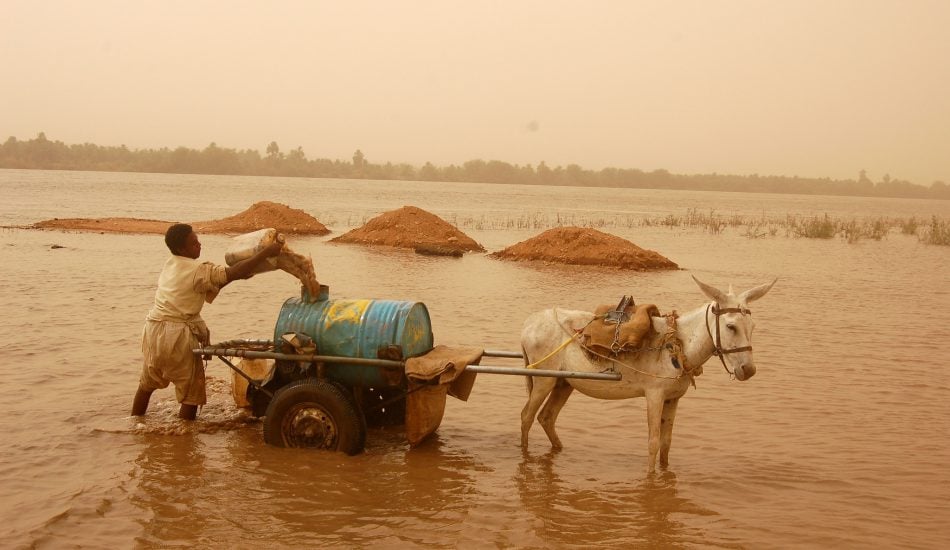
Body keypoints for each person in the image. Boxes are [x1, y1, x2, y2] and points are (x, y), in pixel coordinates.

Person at [132, 223, 283, 420]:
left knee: (147, 384)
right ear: (181, 249)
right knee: (191, 394)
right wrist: (266, 253)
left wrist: (238, 274)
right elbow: (230, 273)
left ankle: (135, 422)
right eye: (194, 243)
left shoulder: (171, 264)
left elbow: (221, 278)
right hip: (176, 336)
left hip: (153, 331)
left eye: (198, 240)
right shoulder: (198, 269)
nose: (199, 245)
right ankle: (184, 438)